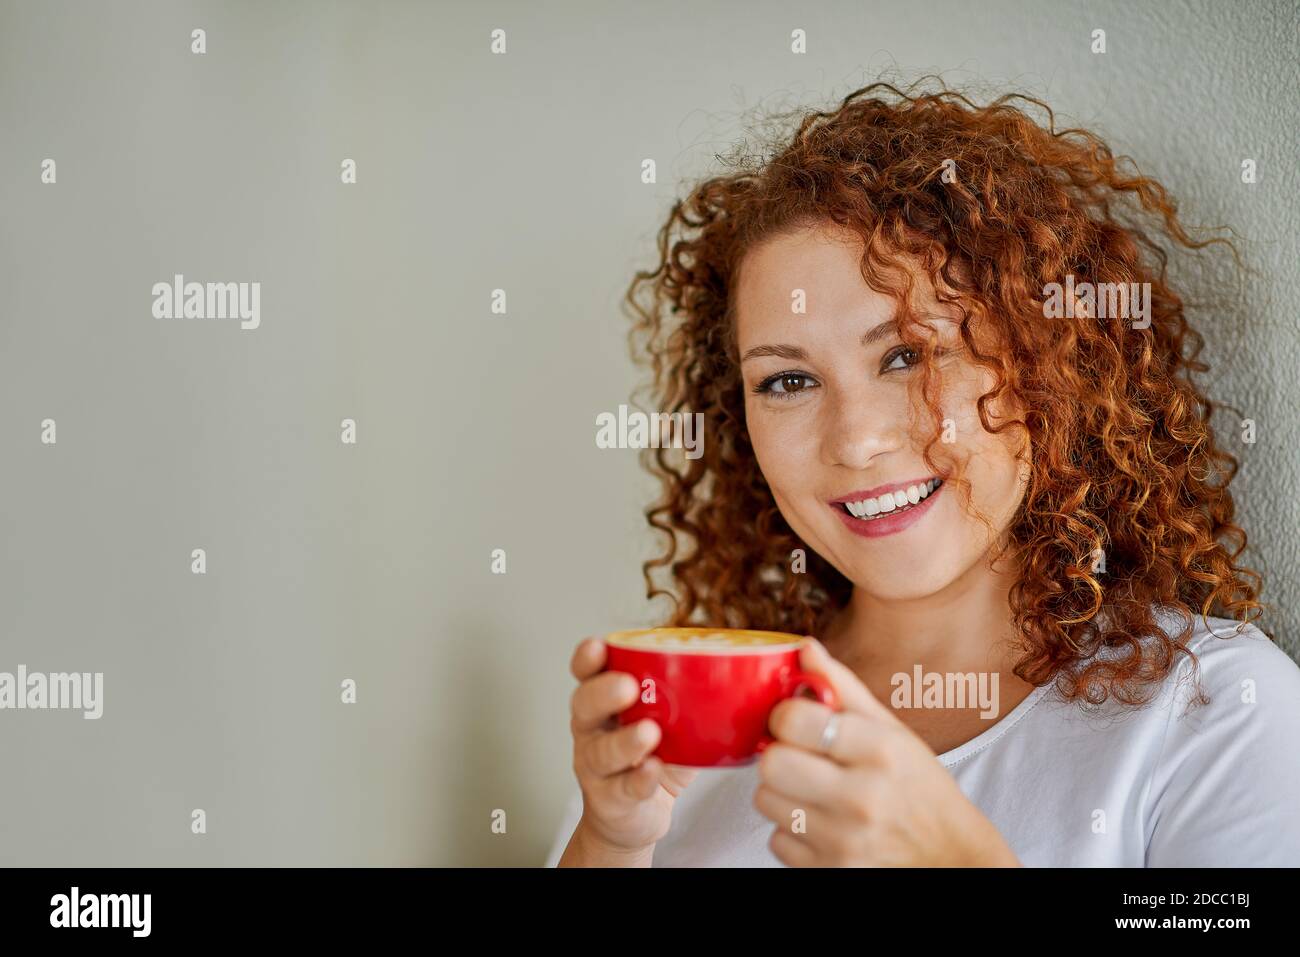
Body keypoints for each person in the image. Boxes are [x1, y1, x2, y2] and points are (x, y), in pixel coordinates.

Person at [546, 80, 1300, 867]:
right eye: (788, 381)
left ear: (1044, 359)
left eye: (908, 354)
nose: (858, 439)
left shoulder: (1218, 712)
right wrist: (609, 842)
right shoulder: (681, 730)